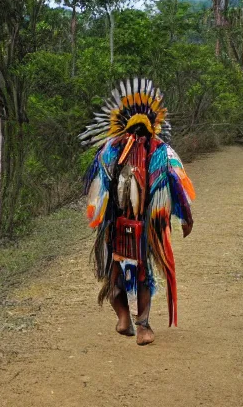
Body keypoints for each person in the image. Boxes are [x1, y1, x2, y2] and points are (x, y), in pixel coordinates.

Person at [80, 78, 195, 345]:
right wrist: (186, 217)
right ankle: (137, 324)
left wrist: (185, 215)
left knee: (122, 273)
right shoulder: (129, 150)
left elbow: (174, 184)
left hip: (131, 224)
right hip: (128, 225)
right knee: (132, 274)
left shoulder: (139, 150)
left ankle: (130, 321)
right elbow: (99, 189)